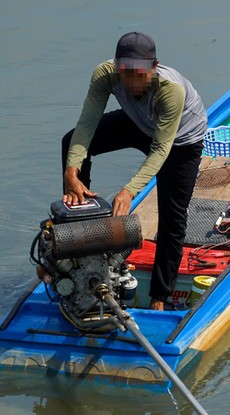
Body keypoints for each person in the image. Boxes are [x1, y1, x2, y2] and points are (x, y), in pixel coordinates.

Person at [62, 31, 208, 310]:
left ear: (153, 67)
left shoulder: (170, 90)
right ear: (117, 67)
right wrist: (72, 172)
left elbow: (161, 150)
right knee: (71, 143)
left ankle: (160, 297)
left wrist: (128, 191)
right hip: (138, 123)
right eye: (125, 73)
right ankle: (76, 239)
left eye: (139, 73)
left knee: (173, 219)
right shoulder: (104, 74)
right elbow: (86, 125)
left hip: (179, 141)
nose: (131, 81)